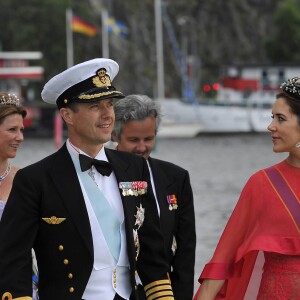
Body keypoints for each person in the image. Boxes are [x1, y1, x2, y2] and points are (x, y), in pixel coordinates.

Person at [0, 59, 174, 300]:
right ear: (67, 115)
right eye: (95, 106)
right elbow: (13, 261)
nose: (107, 115)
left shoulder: (135, 168)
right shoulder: (35, 180)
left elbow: (153, 252)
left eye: (110, 104)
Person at [194, 77, 300, 300]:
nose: (270, 126)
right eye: (273, 118)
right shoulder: (262, 183)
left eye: (281, 119)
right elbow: (224, 257)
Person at [112, 94, 196, 300]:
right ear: (114, 135)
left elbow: (186, 249)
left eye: (148, 139)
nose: (142, 148)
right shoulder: (100, 175)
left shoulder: (176, 177)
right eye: (133, 140)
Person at [0, 93, 39, 300]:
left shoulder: (23, 179)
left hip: (18, 287)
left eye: (21, 130)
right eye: (12, 130)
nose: (20, 137)